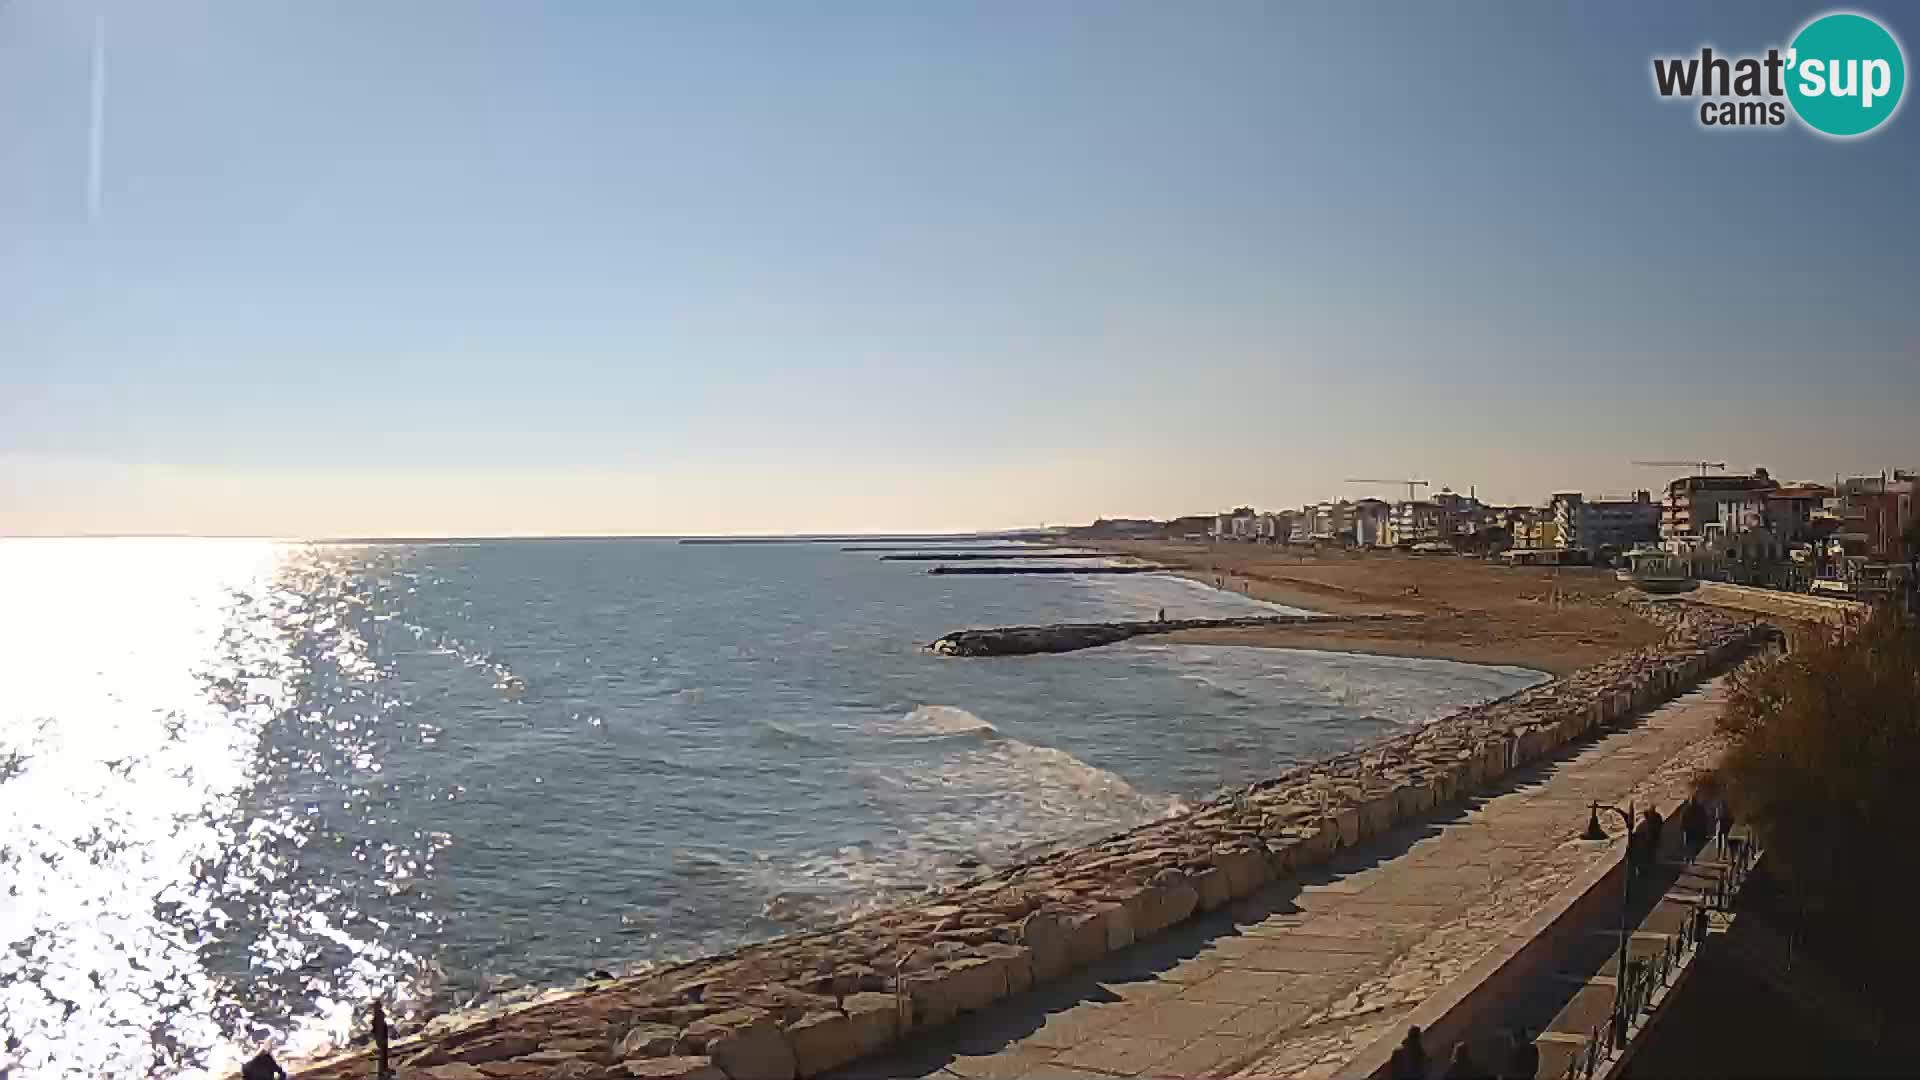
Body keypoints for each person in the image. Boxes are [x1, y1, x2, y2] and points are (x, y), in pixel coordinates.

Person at [371, 999, 391, 1079]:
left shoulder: (376, 1016)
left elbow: (374, 1028)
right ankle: (383, 1071)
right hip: (382, 1039)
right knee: (383, 1056)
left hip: (380, 1039)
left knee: (382, 1056)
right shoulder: (380, 1015)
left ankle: (382, 1071)